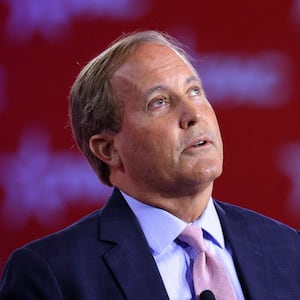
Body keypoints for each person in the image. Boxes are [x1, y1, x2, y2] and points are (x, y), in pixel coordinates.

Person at [0, 30, 299, 300]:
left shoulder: (287, 248)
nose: (194, 113)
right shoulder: (53, 276)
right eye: (159, 102)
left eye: (194, 91)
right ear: (109, 149)